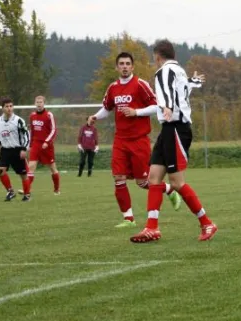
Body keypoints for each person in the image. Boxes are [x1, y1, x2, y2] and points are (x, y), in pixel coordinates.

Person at [130, 40, 217, 243]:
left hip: (175, 128)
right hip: (169, 129)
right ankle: (152, 228)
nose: (154, 61)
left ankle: (207, 223)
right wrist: (195, 82)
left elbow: (168, 92)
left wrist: (167, 106)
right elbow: (185, 88)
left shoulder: (164, 72)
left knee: (177, 182)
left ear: (158, 56)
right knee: (153, 177)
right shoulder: (179, 71)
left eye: (154, 58)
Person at [87, 52, 181, 228]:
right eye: (121, 63)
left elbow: (156, 106)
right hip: (120, 140)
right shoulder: (113, 88)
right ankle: (128, 219)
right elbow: (107, 108)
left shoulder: (140, 85)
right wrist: (95, 117)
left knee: (143, 182)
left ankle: (169, 189)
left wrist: (135, 112)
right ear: (117, 67)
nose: (124, 66)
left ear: (132, 66)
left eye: (127, 63)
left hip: (139, 140)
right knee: (118, 178)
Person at [0, 97, 32, 201]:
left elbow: (27, 136)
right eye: (7, 106)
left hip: (17, 150)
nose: (9, 108)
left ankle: (27, 195)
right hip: (5, 150)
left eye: (11, 106)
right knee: (1, 171)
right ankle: (10, 192)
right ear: (2, 108)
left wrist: (24, 149)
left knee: (23, 174)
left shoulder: (18, 120)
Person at [26, 96, 61, 195]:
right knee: (31, 166)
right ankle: (27, 189)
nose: (39, 104)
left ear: (44, 103)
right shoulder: (32, 115)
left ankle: (57, 189)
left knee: (53, 168)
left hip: (47, 146)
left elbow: (54, 130)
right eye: (37, 102)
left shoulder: (49, 115)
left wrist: (47, 142)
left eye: (41, 102)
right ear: (35, 103)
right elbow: (32, 131)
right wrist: (30, 144)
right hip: (36, 144)